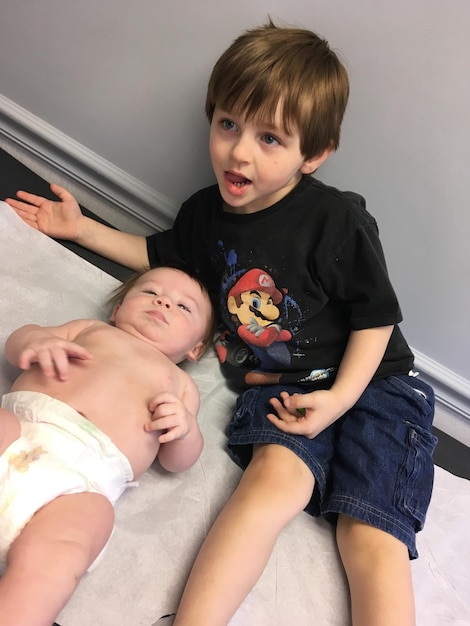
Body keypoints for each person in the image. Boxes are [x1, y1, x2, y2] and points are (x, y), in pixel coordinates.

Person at [4, 19, 437, 626]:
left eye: (270, 139)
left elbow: (377, 320)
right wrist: (80, 230)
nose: (238, 151)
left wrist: (339, 399)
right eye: (228, 124)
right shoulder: (206, 214)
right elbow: (160, 253)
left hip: (375, 384)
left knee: (370, 534)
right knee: (269, 486)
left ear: (312, 155)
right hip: (282, 386)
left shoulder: (335, 221)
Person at [0, 264, 214, 626]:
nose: (163, 302)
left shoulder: (180, 386)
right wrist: (34, 341)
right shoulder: (89, 329)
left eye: (183, 307)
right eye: (150, 292)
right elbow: (19, 341)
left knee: (89, 524)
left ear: (196, 348)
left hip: (83, 483)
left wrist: (185, 431)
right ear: (117, 310)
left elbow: (179, 461)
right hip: (21, 428)